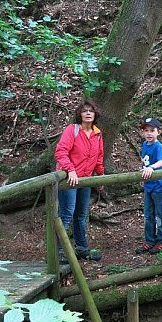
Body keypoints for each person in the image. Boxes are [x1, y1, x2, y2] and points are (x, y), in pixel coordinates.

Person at [54, 100, 104, 264]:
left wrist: (100, 176)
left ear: (95, 114)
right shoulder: (72, 130)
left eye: (91, 111)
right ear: (80, 114)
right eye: (85, 111)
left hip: (86, 179)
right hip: (69, 179)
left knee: (81, 215)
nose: (88, 113)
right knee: (66, 214)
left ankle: (82, 249)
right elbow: (61, 151)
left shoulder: (97, 134)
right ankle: (60, 251)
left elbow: (99, 158)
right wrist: (70, 169)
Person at [136, 118, 162, 255]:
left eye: (152, 130)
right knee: (148, 214)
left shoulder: (158, 146)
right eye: (146, 130)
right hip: (148, 185)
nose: (149, 133)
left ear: (158, 132)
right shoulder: (145, 145)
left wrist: (151, 168)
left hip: (158, 185)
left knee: (160, 213)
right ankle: (150, 240)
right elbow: (144, 161)